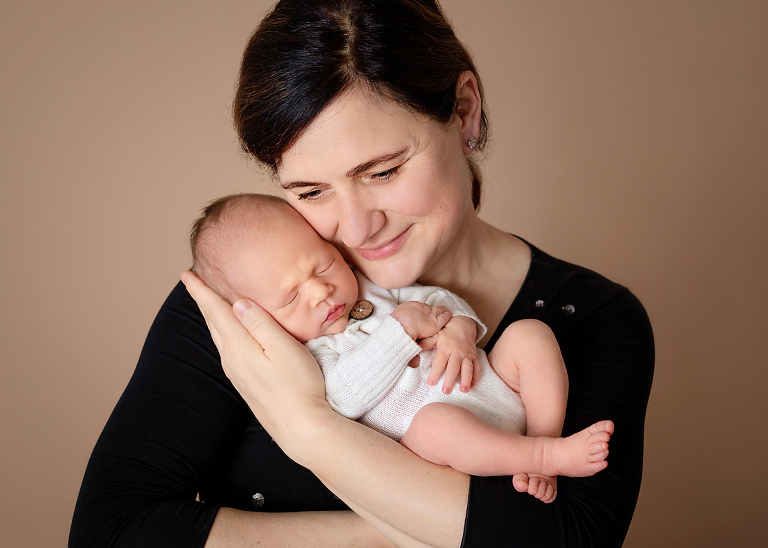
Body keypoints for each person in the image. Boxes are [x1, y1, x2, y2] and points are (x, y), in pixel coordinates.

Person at [70, 1, 654, 546]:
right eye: (310, 190)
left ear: (465, 110)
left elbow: (572, 537)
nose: (355, 229)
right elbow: (111, 529)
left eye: (382, 172)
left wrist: (310, 429)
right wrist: (420, 528)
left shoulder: (598, 318)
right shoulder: (248, 294)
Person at [190, 192, 614, 502]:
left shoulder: (369, 290)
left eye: (322, 265)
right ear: (258, 319)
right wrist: (400, 330)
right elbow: (345, 396)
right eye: (291, 297)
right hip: (450, 433)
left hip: (495, 384)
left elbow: (436, 301)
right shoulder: (311, 353)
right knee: (434, 427)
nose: (320, 290)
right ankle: (542, 455)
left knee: (530, 334)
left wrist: (461, 329)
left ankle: (545, 432)